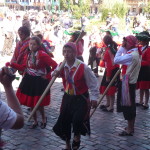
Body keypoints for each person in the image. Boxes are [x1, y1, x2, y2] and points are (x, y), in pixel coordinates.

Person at [52, 42, 99, 150]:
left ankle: (77, 138)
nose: (66, 54)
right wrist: (55, 73)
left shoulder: (83, 67)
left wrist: (94, 98)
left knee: (78, 121)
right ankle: (67, 145)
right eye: (64, 51)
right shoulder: (62, 65)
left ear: (75, 53)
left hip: (81, 99)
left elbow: (93, 83)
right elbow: (54, 73)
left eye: (69, 51)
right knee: (65, 121)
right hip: (68, 98)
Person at [7, 36, 57, 129]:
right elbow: (24, 67)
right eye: (30, 44)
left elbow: (55, 65)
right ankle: (35, 121)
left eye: (34, 44)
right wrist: (12, 64)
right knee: (31, 103)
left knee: (38, 103)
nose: (31, 46)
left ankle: (43, 118)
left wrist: (47, 76)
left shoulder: (42, 55)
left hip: (39, 81)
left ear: (38, 45)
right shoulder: (28, 54)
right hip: (29, 79)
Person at [114, 35, 141, 136]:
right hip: (129, 82)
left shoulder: (131, 55)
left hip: (127, 83)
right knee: (130, 105)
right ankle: (131, 127)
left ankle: (130, 129)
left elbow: (116, 60)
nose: (123, 42)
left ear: (128, 43)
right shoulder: (134, 52)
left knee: (128, 106)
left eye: (124, 41)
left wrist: (121, 47)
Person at [99, 35, 119, 112]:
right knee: (105, 86)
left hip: (111, 70)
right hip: (110, 69)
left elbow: (110, 64)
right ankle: (108, 103)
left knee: (111, 88)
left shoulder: (110, 50)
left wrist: (108, 75)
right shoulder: (109, 48)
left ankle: (111, 106)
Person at [136, 31, 150, 109]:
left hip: (146, 70)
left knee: (145, 87)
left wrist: (139, 62)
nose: (140, 41)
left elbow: (148, 62)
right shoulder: (140, 47)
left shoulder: (148, 49)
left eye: (141, 40)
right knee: (141, 86)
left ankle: (146, 103)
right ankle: (141, 101)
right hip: (141, 69)